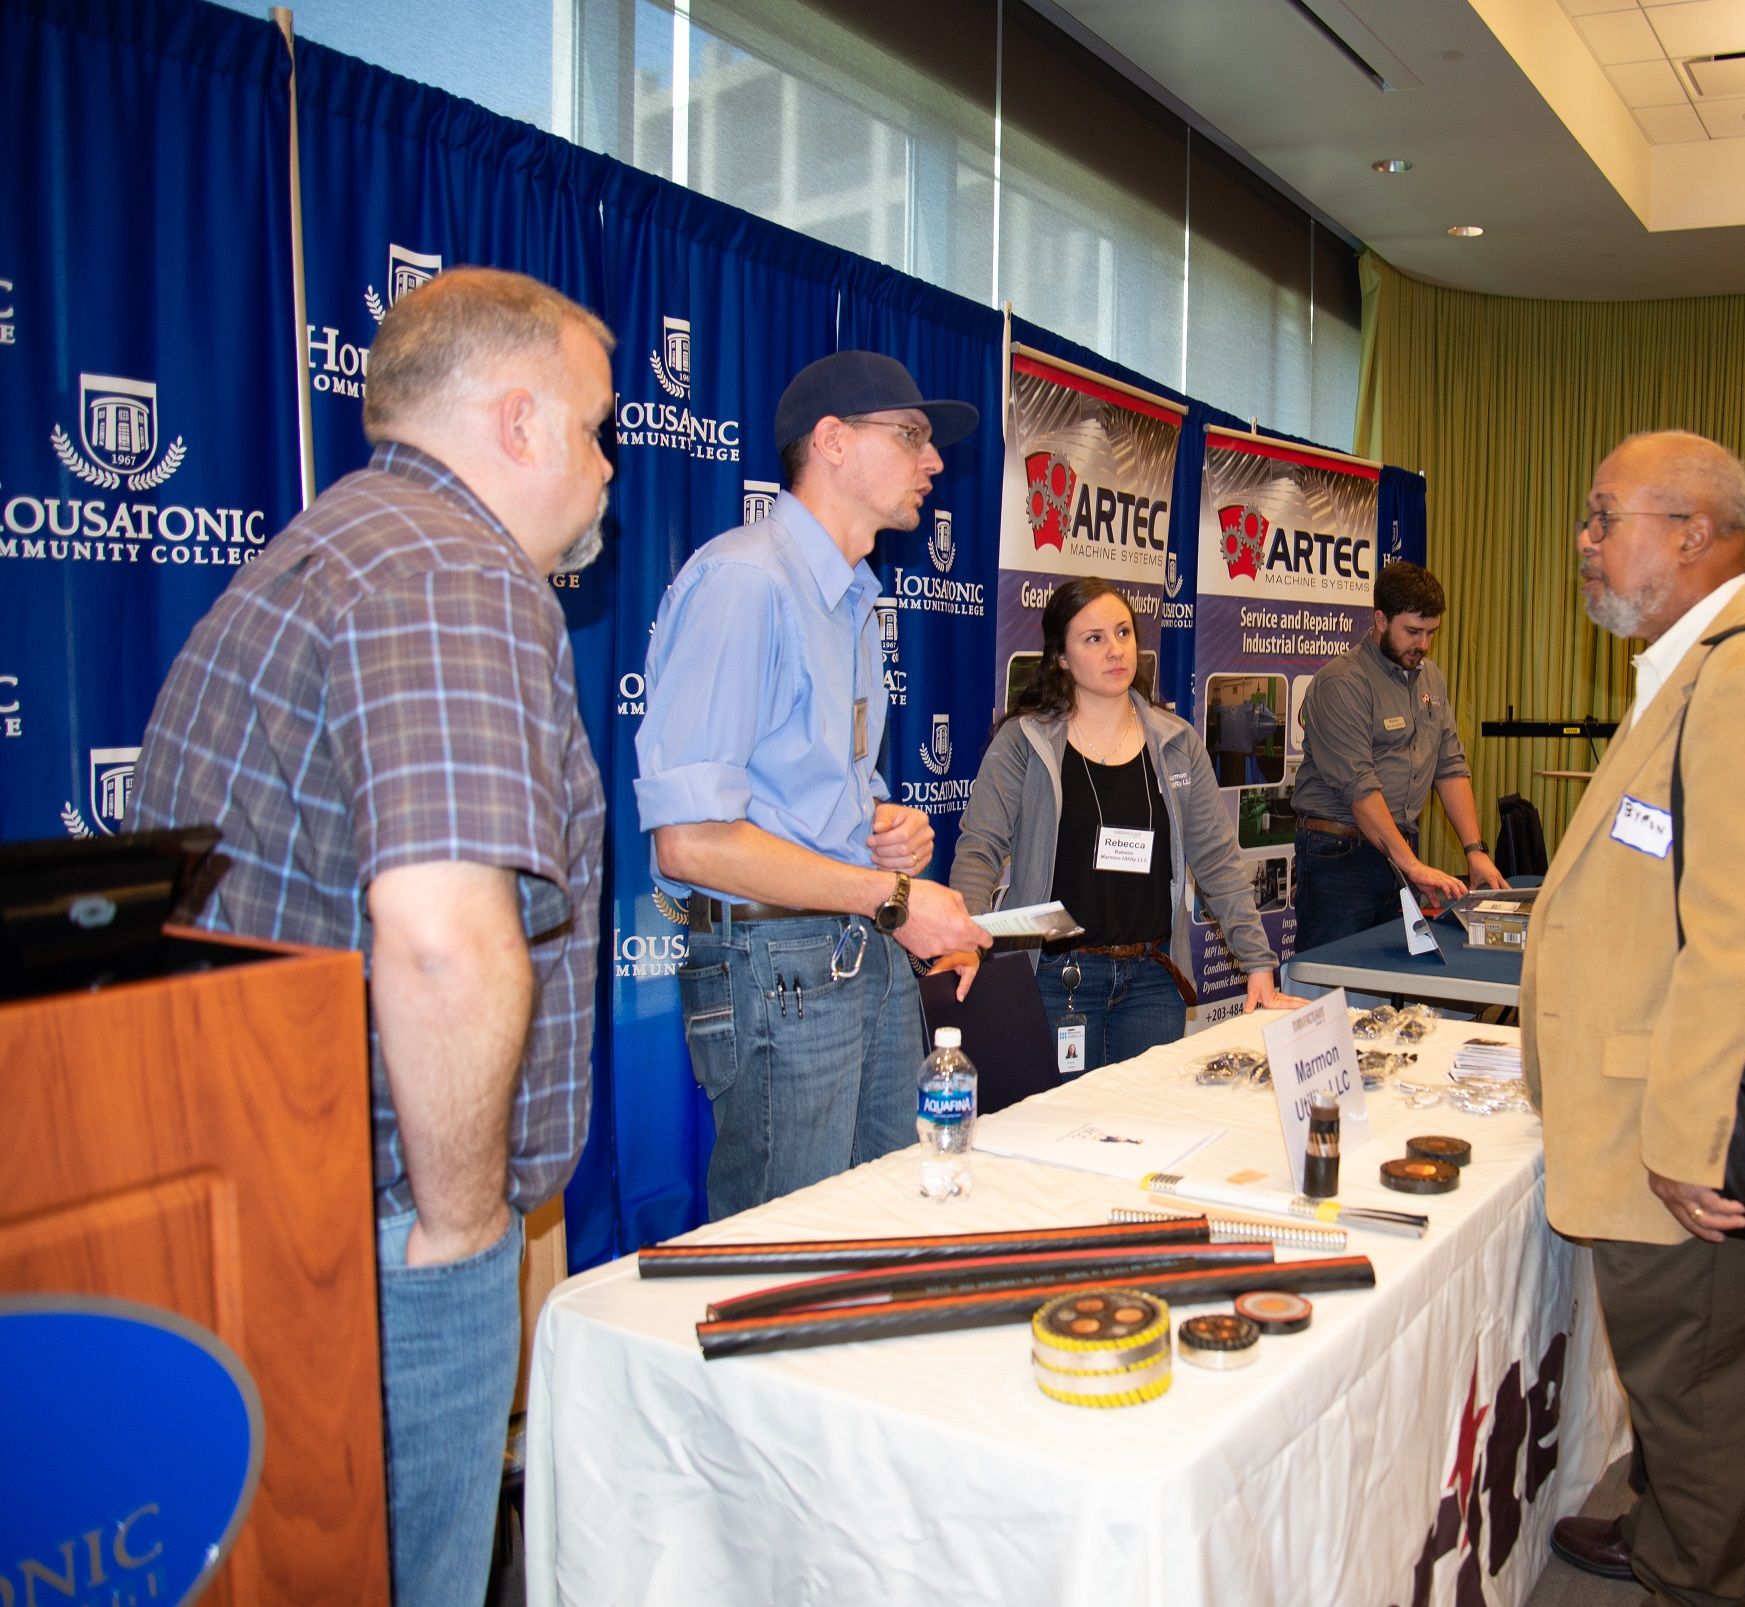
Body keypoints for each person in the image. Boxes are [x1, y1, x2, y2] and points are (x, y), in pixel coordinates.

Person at [130, 266, 613, 1606]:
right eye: (592, 428)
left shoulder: (332, 547)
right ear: (517, 421)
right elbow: (444, 936)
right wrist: (463, 1230)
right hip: (392, 1232)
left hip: (283, 1205)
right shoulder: (450, 573)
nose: (604, 467)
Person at [1527, 430, 1745, 1607]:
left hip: (1696, 1137)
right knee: (1686, 1396)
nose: (1583, 539)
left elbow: (1740, 937)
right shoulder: (1693, 667)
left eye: (1602, 513)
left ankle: (1696, 1574)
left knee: (1704, 1399)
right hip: (1662, 1105)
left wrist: (1684, 1135)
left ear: (1693, 533)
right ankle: (1668, 1529)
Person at [635, 350, 990, 1221]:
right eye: (910, 436)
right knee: (788, 1243)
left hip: (857, 951)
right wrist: (893, 896)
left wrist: (885, 827)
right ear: (832, 441)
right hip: (778, 968)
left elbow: (807, 796)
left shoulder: (852, 600)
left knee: (882, 1222)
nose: (932, 461)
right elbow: (690, 840)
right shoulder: (746, 583)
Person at [947, 577, 1303, 1065]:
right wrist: (964, 940)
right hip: (1057, 980)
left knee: (1146, 1115)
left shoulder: (1177, 742)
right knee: (1065, 1116)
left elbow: (1217, 861)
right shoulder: (1024, 742)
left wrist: (1258, 962)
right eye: (1093, 638)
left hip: (1153, 982)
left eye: (1123, 633)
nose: (1115, 650)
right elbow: (979, 848)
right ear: (1061, 657)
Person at [1288, 560, 1507, 949]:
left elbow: (1449, 767)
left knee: (1390, 976)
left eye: (1431, 633)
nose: (1423, 644)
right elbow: (1360, 790)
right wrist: (1413, 866)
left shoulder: (1430, 677)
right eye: (1413, 632)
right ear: (1380, 619)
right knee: (1332, 977)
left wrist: (1475, 851)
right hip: (1340, 855)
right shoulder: (1342, 683)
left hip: (1398, 853)